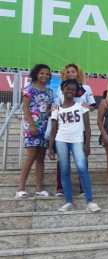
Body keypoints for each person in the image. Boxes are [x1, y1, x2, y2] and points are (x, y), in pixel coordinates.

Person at [48, 79, 101, 212]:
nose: (70, 91)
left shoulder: (81, 106)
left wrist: (87, 143)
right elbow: (53, 130)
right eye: (67, 89)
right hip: (61, 141)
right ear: (62, 90)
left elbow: (87, 127)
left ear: (76, 92)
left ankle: (89, 201)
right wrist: (50, 148)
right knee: (64, 171)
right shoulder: (57, 109)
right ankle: (68, 202)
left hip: (77, 141)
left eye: (72, 89)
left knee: (82, 169)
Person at [55, 63, 96, 196]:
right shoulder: (61, 88)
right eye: (68, 72)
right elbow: (57, 107)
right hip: (65, 128)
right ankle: (60, 187)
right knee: (62, 160)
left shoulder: (86, 88)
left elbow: (92, 106)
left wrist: (87, 107)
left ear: (78, 73)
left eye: (73, 71)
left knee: (82, 160)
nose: (70, 74)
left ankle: (83, 188)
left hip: (81, 129)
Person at [16, 64, 53, 198]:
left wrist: (51, 111)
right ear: (36, 74)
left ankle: (38, 188)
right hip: (32, 125)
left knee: (41, 158)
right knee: (30, 156)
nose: (44, 76)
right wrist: (32, 125)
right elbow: (25, 107)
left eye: (47, 74)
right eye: (42, 73)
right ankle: (20, 188)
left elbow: (47, 109)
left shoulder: (50, 92)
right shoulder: (29, 88)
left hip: (44, 126)